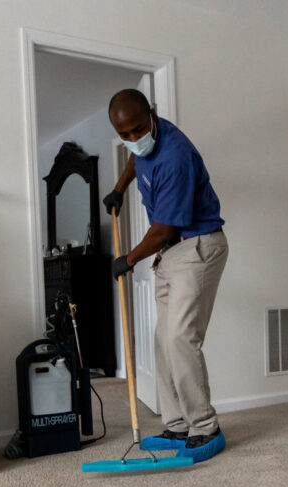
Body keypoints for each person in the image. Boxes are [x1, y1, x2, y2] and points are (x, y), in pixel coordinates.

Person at [103, 88, 229, 463]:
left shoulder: (175, 157)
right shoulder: (144, 138)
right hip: (170, 253)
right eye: (124, 134)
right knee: (162, 341)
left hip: (196, 247)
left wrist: (128, 259)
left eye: (137, 130)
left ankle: (205, 427)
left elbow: (163, 229)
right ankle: (177, 426)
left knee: (180, 338)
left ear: (152, 114)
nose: (133, 138)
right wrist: (119, 188)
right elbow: (137, 157)